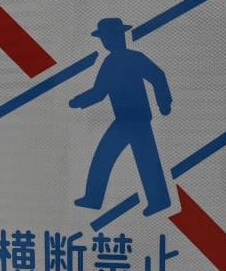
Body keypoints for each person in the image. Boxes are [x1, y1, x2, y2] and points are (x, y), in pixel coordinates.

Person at [69, 17, 173, 216]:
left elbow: (157, 76)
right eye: (104, 38)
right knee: (143, 160)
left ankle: (94, 199)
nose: (105, 42)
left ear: (116, 37)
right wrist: (79, 101)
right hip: (132, 119)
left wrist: (164, 103)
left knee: (106, 157)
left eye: (107, 37)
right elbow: (100, 92)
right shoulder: (117, 61)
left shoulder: (128, 59)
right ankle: (158, 200)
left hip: (133, 120)